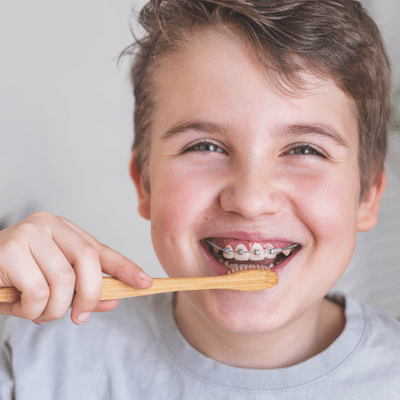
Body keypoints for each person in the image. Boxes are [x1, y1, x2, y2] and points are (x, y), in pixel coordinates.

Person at [0, 0, 399, 398]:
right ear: (145, 183)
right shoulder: (39, 363)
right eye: (205, 146)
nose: (251, 199)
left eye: (305, 150)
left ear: (368, 194)